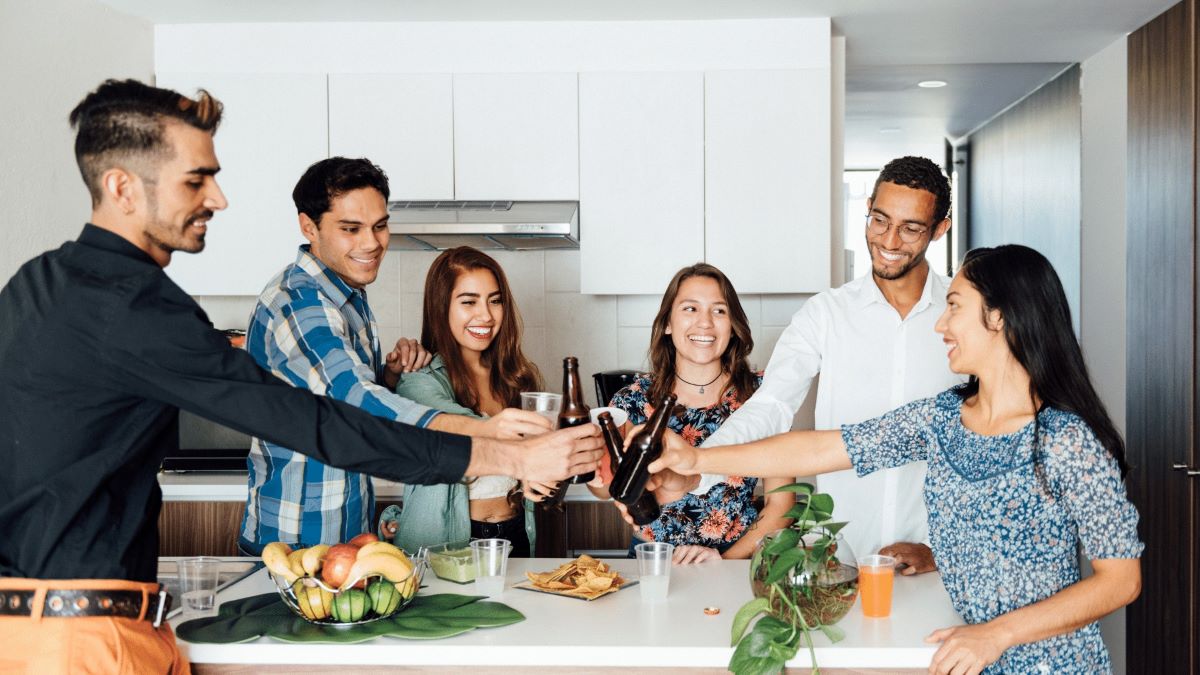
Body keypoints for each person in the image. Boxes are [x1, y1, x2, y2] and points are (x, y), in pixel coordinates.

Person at [0, 79, 601, 674]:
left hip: (40, 626)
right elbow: (319, 420)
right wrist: (506, 456)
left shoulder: (38, 284)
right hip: (80, 641)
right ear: (121, 187)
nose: (218, 198)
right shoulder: (136, 306)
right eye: (196, 179)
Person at [652, 245, 1143, 674]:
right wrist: (698, 458)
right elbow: (823, 447)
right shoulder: (943, 418)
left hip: (1049, 663)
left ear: (999, 318)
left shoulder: (1065, 440)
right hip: (964, 654)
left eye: (954, 307)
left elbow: (1120, 580)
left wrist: (998, 635)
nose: (941, 323)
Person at [239, 161, 555, 555]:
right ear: (309, 226)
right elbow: (354, 401)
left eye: (379, 226)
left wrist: (387, 377)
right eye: (351, 229)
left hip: (345, 532)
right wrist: (492, 431)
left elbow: (337, 401)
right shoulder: (301, 303)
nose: (371, 243)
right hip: (296, 540)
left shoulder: (348, 300)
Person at [689, 156, 961, 571]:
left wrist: (939, 553)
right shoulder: (826, 314)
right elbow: (772, 405)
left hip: (936, 563)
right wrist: (696, 469)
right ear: (867, 208)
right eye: (879, 220)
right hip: (840, 560)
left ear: (940, 228)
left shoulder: (963, 317)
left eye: (911, 228)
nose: (888, 240)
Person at [593, 263, 784, 565]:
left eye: (719, 311)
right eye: (690, 309)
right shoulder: (632, 399)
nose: (705, 323)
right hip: (652, 561)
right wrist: (590, 463)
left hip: (735, 563)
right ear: (668, 322)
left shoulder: (763, 397)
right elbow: (606, 488)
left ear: (733, 325)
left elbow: (780, 504)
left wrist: (726, 561)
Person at [382, 247, 544, 557]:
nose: (485, 315)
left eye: (494, 301)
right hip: (446, 539)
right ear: (441, 307)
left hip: (515, 532)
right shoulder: (419, 379)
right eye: (469, 302)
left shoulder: (517, 379)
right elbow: (454, 432)